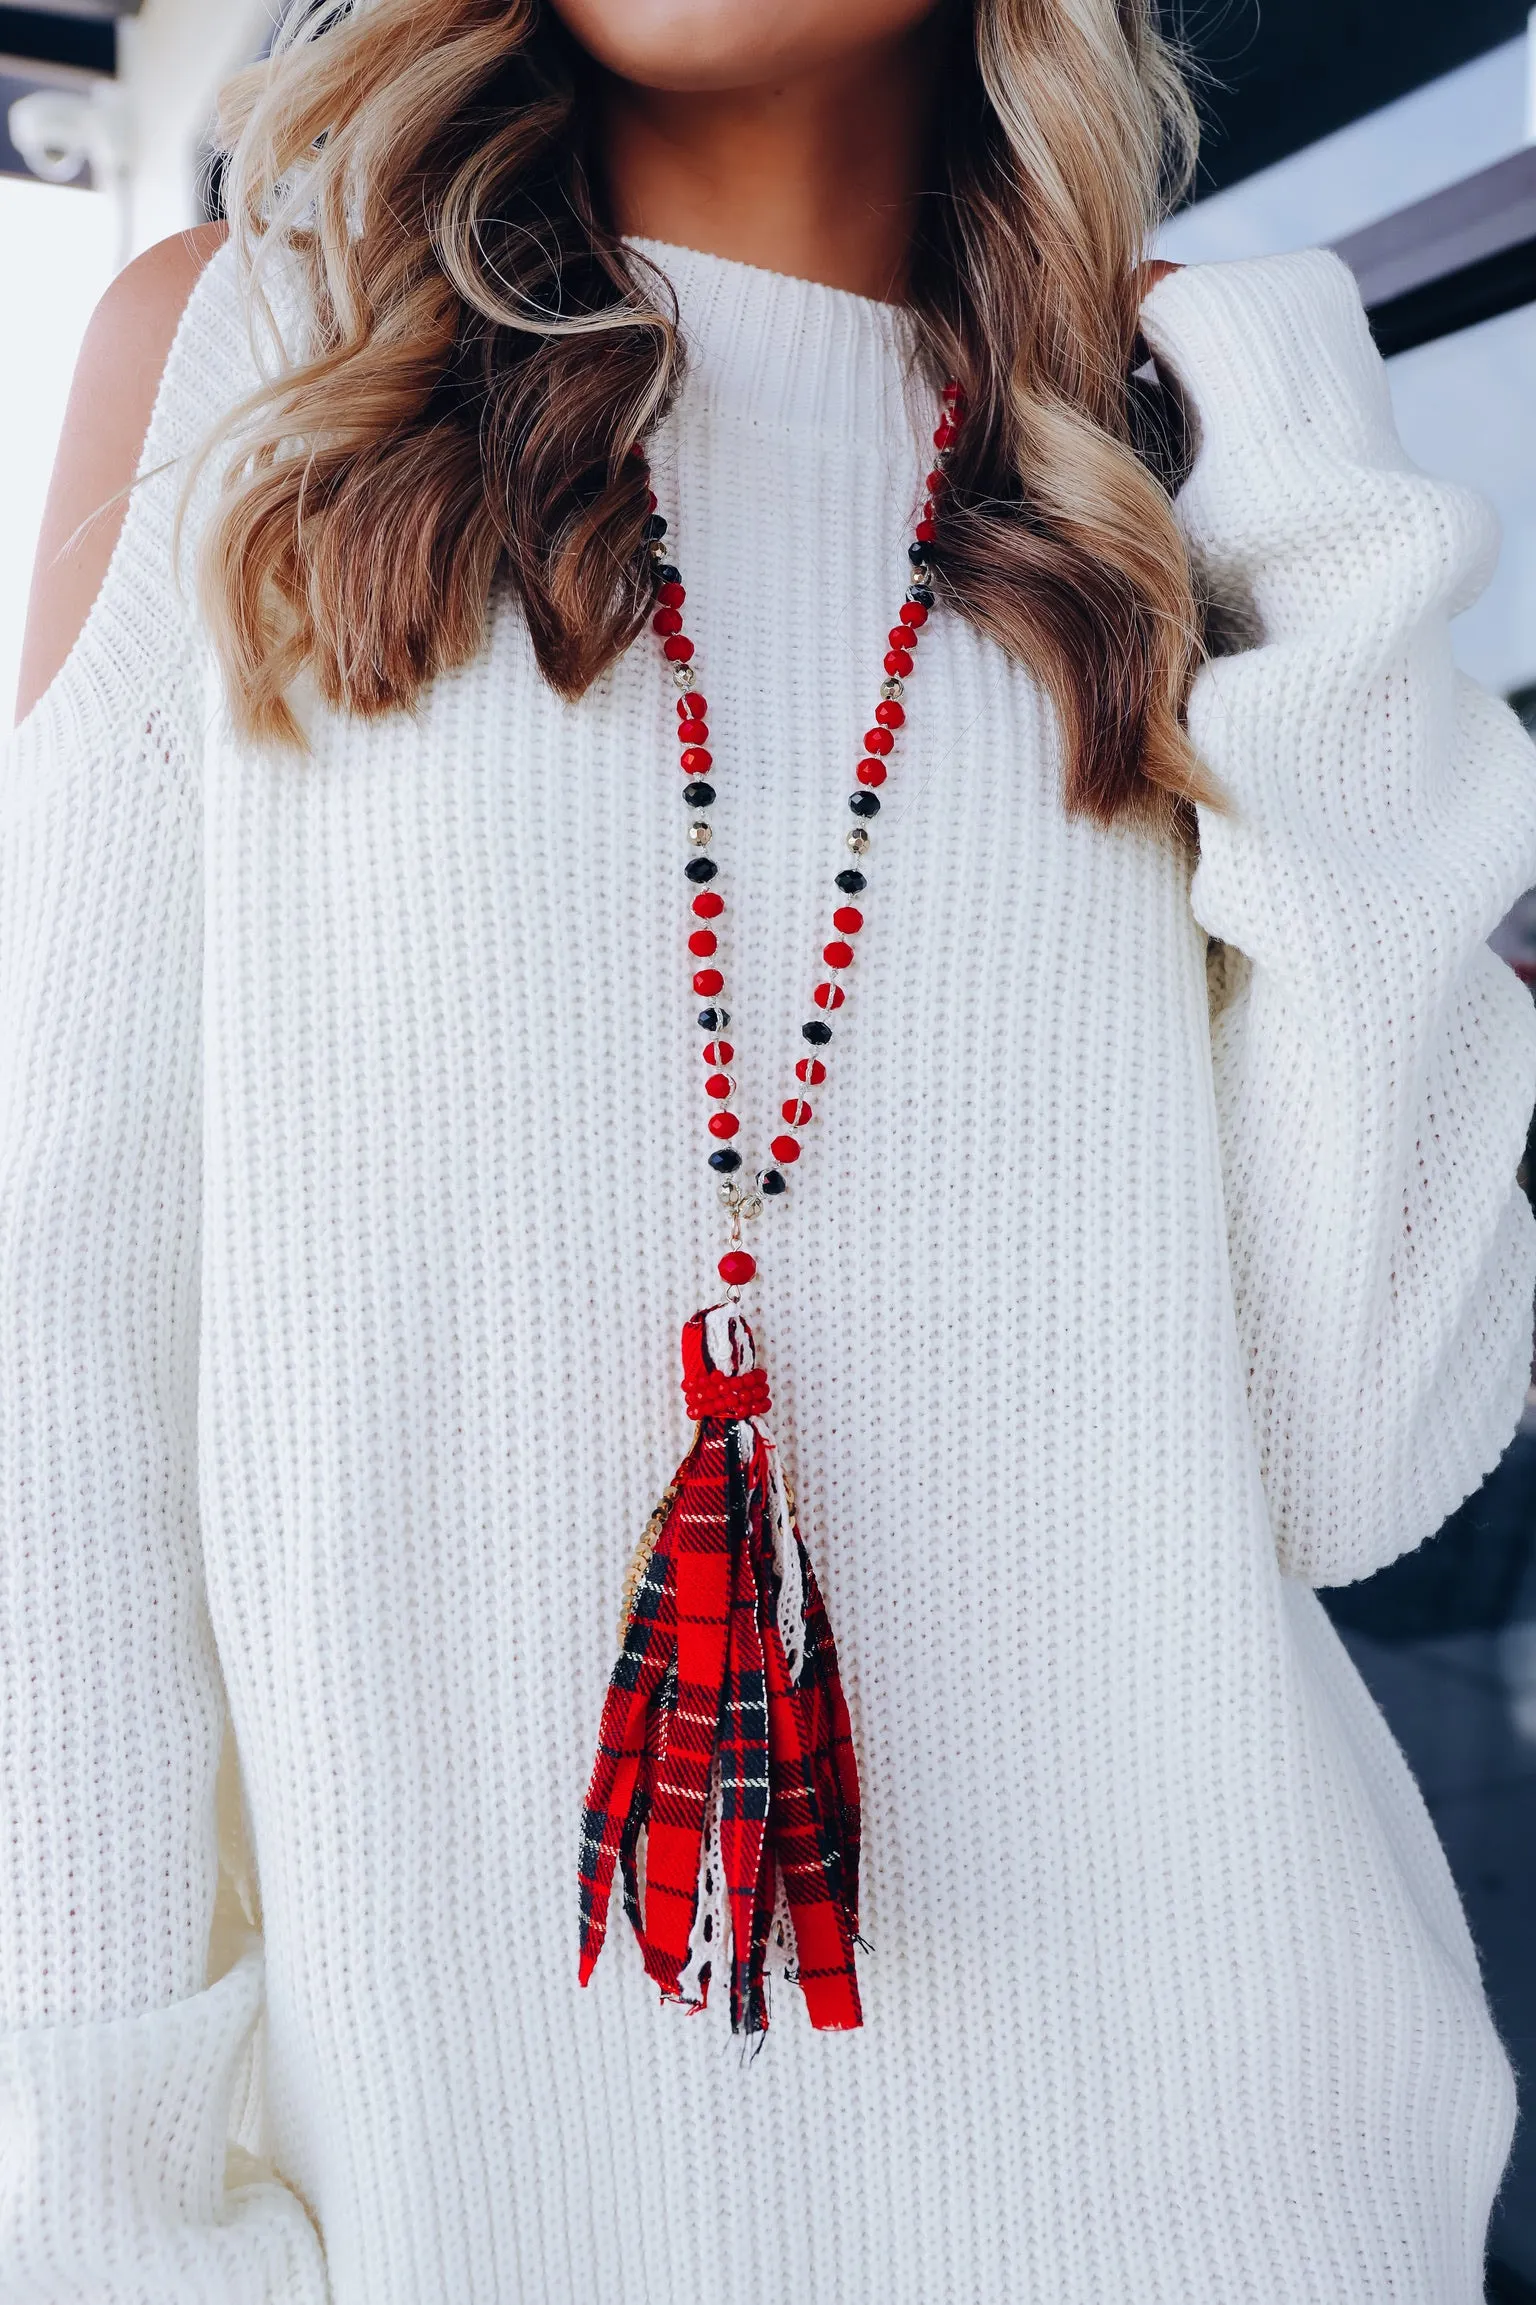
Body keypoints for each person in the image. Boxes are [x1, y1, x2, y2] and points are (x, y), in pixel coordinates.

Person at [4, 0, 1534, 2297]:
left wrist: (1298, 462)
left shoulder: (1169, 458)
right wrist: (112, 2228)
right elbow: (50, 1390)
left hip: (1245, 2195)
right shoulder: (252, 364)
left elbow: (1361, 1446)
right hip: (480, 2220)